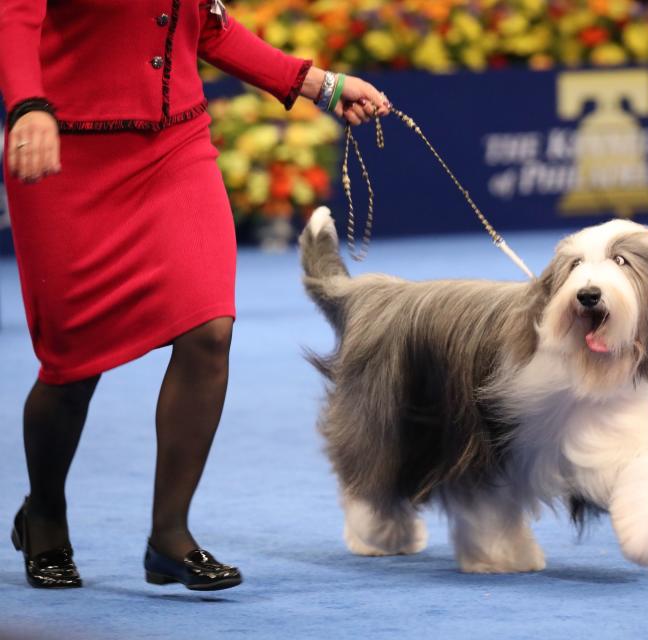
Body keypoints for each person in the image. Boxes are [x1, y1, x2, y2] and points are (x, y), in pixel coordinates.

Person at [0, 0, 389, 591]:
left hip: (174, 148)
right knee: (72, 363)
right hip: (64, 147)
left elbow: (206, 23)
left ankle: (169, 535)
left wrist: (320, 85)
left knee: (210, 330)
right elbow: (14, 15)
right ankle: (45, 515)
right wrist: (28, 105)